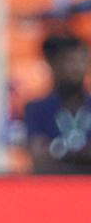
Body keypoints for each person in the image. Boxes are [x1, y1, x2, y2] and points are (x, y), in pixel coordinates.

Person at [24, 33, 91, 172]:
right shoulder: (36, 109)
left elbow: (48, 153)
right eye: (70, 61)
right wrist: (82, 153)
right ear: (53, 64)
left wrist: (58, 150)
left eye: (82, 61)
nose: (76, 68)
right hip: (54, 188)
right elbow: (40, 157)